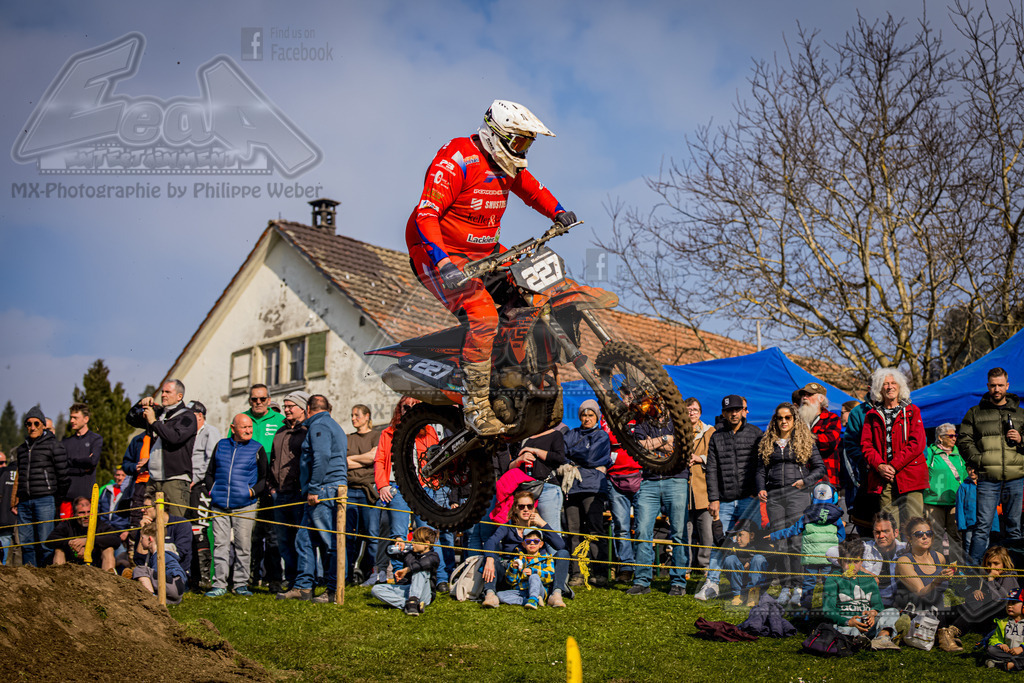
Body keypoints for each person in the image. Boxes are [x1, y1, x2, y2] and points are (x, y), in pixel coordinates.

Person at [405, 99, 577, 435]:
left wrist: (557, 211)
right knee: (484, 315)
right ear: (496, 134)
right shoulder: (456, 159)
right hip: (438, 252)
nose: (523, 149)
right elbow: (426, 214)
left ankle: (530, 378)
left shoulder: (508, 163)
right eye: (520, 141)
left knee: (537, 295)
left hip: (485, 250)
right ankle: (476, 406)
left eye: (528, 142)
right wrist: (443, 262)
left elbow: (532, 189)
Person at [278, 395, 347, 604]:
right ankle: (303, 586)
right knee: (304, 538)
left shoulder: (321, 425)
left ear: (308, 408)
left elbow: (322, 455)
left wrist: (315, 488)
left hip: (325, 488)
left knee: (329, 542)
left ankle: (334, 589)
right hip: (324, 487)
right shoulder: (329, 424)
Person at [755, 402, 825, 606]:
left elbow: (819, 468)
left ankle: (799, 586)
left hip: (797, 495)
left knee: (796, 541)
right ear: (775, 420)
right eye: (780, 417)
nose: (783, 421)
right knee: (780, 542)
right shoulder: (767, 442)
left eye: (788, 417)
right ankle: (786, 586)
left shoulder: (805, 441)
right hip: (775, 497)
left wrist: (805, 481)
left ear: (794, 419)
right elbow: (760, 470)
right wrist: (761, 487)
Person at [697, 394, 763, 601]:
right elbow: (712, 469)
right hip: (724, 500)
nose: (733, 413)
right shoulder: (717, 436)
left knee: (753, 543)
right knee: (719, 543)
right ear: (724, 413)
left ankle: (753, 588)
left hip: (748, 499)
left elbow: (761, 465)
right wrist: (713, 498)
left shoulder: (755, 433)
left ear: (744, 410)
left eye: (737, 409)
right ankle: (712, 584)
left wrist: (757, 489)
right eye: (729, 410)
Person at [958, 367, 1024, 565]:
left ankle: (1013, 573)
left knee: (1014, 527)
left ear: (1007, 386)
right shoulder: (975, 413)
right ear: (988, 386)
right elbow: (963, 440)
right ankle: (975, 574)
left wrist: (1021, 439)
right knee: (982, 527)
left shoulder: (1020, 414)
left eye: (1000, 385)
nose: (997, 389)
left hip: (1015, 477)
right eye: (993, 385)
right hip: (988, 478)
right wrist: (979, 460)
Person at [372, 397, 439, 582]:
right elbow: (379, 460)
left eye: (415, 406)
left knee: (428, 534)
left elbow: (437, 458)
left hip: (423, 487)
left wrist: (432, 482)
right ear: (399, 410)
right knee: (398, 535)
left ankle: (436, 578)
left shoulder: (428, 431)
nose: (410, 409)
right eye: (406, 407)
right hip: (397, 486)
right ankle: (401, 577)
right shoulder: (388, 432)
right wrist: (382, 484)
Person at [627, 401, 690, 597]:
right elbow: (639, 447)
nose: (657, 405)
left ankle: (678, 581)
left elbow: (679, 449)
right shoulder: (642, 424)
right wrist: (665, 439)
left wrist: (654, 443)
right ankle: (641, 581)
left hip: (676, 479)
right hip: (649, 481)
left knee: (678, 532)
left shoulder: (678, 422)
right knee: (642, 530)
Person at [203, 413, 267, 597]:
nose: (248, 430)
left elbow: (263, 478)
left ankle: (240, 584)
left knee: (243, 546)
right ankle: (219, 584)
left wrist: (251, 492)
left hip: (245, 505)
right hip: (219, 505)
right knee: (220, 545)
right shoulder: (221, 446)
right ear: (233, 429)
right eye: (244, 427)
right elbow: (210, 473)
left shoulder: (257, 448)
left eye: (250, 427)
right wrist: (212, 490)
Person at [860, 367, 927, 532]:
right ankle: (892, 558)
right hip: (883, 478)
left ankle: (915, 558)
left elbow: (917, 443)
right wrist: (881, 466)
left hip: (910, 475)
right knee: (889, 527)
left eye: (893, 383)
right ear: (879, 389)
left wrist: (894, 465)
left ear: (900, 386)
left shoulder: (912, 411)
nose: (889, 387)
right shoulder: (872, 414)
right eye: (885, 384)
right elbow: (866, 445)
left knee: (915, 526)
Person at [481, 490, 570, 608]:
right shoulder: (508, 526)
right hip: (512, 573)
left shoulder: (538, 528)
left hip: (538, 571)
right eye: (521, 506)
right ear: (515, 509)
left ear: (534, 508)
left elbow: (560, 545)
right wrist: (490, 559)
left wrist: (543, 524)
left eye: (529, 506)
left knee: (563, 554)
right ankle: (491, 595)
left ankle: (556, 595)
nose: (526, 509)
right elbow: (491, 541)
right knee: (489, 557)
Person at [126, 380, 197, 519]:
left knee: (175, 523)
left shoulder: (187, 417)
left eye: (168, 392)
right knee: (150, 523)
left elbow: (174, 438)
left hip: (175, 479)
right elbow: (131, 419)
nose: (163, 395)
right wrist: (141, 404)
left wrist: (153, 422)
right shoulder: (158, 413)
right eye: (163, 392)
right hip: (153, 479)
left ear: (179, 396)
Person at [238, 384, 285, 594]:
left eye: (262, 399)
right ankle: (249, 577)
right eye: (254, 399)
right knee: (250, 535)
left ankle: (274, 579)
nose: (258, 403)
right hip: (248, 485)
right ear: (249, 400)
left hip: (272, 485)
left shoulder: (279, 421)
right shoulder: (242, 419)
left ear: (269, 399)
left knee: (272, 534)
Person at [769, 483, 845, 609]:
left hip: (811, 557)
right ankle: (828, 609)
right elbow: (841, 537)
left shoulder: (807, 516)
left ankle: (805, 610)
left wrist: (773, 536)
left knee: (809, 584)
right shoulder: (836, 518)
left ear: (812, 497)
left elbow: (792, 531)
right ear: (834, 497)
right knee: (829, 584)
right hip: (829, 557)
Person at [562, 400, 612, 587]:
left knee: (594, 531)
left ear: (597, 417)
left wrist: (575, 458)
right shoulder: (572, 433)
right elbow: (563, 454)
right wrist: (582, 455)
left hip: (593, 488)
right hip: (572, 488)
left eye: (591, 415)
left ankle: (599, 573)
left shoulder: (601, 436)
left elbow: (593, 457)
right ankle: (577, 574)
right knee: (573, 532)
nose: (587, 418)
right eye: (584, 415)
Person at [13, 406, 70, 566]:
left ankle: (46, 577)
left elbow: (64, 477)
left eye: (36, 423)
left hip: (45, 500)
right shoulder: (22, 449)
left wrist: (56, 498)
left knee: (46, 543)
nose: (32, 427)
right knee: (26, 544)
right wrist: (17, 498)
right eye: (29, 424)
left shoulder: (54, 446)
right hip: (24, 502)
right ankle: (30, 576)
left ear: (43, 425)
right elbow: (20, 477)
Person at [823, 537, 902, 650]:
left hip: (866, 622)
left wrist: (873, 613)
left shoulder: (869, 579)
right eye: (848, 561)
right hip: (847, 622)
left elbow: (878, 606)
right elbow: (828, 610)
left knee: (892, 612)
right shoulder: (833, 579)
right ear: (840, 562)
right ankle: (855, 640)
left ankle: (881, 638)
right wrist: (848, 621)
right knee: (844, 629)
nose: (852, 566)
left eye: (856, 562)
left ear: (862, 562)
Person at [937, 546, 1019, 652]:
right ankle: (940, 628)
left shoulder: (1009, 577)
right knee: (958, 607)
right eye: (989, 564)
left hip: (997, 616)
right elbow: (986, 594)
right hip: (981, 613)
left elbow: (999, 600)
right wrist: (977, 591)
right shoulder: (990, 576)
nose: (991, 567)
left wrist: (990, 580)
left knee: (979, 603)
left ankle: (952, 631)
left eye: (996, 563)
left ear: (1004, 563)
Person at [269, 391, 309, 589]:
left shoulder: (307, 431)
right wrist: (272, 487)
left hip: (299, 493)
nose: (286, 409)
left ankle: (304, 580)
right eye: (285, 406)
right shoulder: (280, 432)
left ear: (302, 408)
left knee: (301, 540)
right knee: (283, 540)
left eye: (290, 406)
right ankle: (291, 578)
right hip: (280, 493)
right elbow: (273, 461)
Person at [491, 426, 567, 531]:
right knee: (527, 533)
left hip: (547, 488)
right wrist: (519, 460)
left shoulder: (555, 434)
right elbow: (508, 467)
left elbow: (560, 458)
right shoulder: (522, 437)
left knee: (550, 532)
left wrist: (534, 451)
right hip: (525, 490)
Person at [346, 403, 384, 585]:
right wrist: (365, 459)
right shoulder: (348, 439)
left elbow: (374, 457)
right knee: (349, 536)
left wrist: (353, 459)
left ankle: (368, 571)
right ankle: (347, 573)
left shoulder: (377, 436)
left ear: (367, 416)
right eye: (352, 415)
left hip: (369, 492)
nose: (353, 418)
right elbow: (343, 462)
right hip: (350, 491)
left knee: (371, 535)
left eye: (357, 415)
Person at [922, 423, 967, 563]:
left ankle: (956, 570)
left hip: (955, 501)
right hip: (934, 501)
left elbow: (965, 475)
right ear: (940, 438)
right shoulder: (930, 452)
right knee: (935, 536)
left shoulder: (959, 454)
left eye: (955, 435)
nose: (954, 438)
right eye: (951, 435)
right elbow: (923, 471)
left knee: (956, 536)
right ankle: (937, 568)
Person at [370, 527, 439, 616]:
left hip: (424, 594)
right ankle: (409, 604)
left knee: (419, 570)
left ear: (426, 544)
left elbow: (423, 564)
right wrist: (396, 543)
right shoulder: (410, 553)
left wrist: (407, 569)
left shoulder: (433, 556)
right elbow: (390, 552)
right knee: (376, 589)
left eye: (415, 541)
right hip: (408, 589)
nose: (412, 543)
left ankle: (413, 601)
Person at [894, 516, 955, 613]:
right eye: (919, 534)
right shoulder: (904, 561)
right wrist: (937, 579)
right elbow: (920, 592)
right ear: (909, 538)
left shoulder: (939, 557)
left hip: (942, 611)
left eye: (929, 533)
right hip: (918, 616)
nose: (925, 537)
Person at [45, 496, 124, 570]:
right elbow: (50, 540)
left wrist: (88, 541)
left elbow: (115, 539)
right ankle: (60, 580)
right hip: (70, 565)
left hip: (96, 565)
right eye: (82, 512)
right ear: (74, 514)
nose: (86, 516)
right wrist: (71, 544)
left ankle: (108, 580)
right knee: (59, 550)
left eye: (89, 512)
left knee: (108, 549)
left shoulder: (100, 524)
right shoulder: (67, 524)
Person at [187, 400, 217, 591]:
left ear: (199, 415)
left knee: (200, 529)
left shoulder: (209, 431)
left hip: (202, 486)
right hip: (187, 486)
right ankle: (191, 573)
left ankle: (205, 576)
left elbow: (212, 459)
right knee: (188, 528)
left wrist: (196, 479)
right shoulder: (188, 434)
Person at [685, 398, 715, 581]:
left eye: (695, 409)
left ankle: (705, 566)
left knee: (706, 531)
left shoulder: (710, 432)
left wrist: (700, 458)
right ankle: (685, 567)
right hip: (685, 489)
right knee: (685, 531)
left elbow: (716, 456)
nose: (692, 413)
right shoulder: (679, 432)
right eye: (688, 410)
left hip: (703, 488)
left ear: (700, 412)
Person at [795, 383, 842, 489]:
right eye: (803, 395)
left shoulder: (831, 418)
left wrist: (803, 438)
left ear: (821, 399)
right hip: (799, 479)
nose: (805, 398)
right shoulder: (795, 420)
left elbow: (830, 442)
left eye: (809, 395)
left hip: (824, 478)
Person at [497, 527, 555, 609]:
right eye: (528, 541)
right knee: (500, 595)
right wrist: (513, 569)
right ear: (523, 544)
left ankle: (534, 598)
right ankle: (528, 601)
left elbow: (550, 576)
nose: (532, 544)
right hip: (521, 590)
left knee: (534, 576)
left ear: (541, 544)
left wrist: (534, 571)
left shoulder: (547, 558)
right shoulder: (518, 558)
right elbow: (510, 581)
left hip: (538, 590)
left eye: (535, 541)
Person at [714, 518, 768, 607]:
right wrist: (716, 520)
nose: (738, 539)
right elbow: (719, 539)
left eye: (741, 535)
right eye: (736, 535)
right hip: (741, 582)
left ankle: (753, 595)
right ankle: (738, 595)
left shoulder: (760, 545)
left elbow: (771, 555)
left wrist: (751, 562)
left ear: (752, 535)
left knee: (758, 559)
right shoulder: (734, 545)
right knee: (730, 559)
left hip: (759, 582)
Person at [132, 522, 189, 605]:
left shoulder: (159, 555)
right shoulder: (154, 555)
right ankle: (155, 598)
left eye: (142, 538)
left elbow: (154, 575)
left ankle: (150, 596)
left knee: (140, 569)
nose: (140, 541)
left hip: (173, 584)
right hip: (176, 593)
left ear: (150, 539)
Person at [61, 403, 102, 517]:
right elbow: (62, 466)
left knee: (86, 531)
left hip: (86, 495)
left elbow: (93, 461)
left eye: (75, 418)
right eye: (71, 417)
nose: (72, 421)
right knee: (66, 531)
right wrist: (82, 467)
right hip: (68, 495)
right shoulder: (66, 442)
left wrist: (71, 462)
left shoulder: (96, 439)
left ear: (86, 419)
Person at [984, 587, 1024, 671]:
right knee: (991, 649)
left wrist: (1021, 648)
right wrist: (1000, 644)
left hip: (1022, 651)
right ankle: (1016, 662)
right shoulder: (1003, 622)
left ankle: (1005, 664)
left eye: (1013, 603)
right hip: (1008, 652)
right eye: (1008, 603)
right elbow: (994, 638)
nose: (1009, 606)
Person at [0, 450, 15, 564]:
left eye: (5, 462)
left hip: (5, 519)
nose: (4, 465)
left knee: (5, 538)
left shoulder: (9, 474)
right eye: (1, 463)